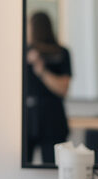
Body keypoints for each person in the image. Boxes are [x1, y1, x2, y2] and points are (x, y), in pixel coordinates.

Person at [23, 10, 72, 164]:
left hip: (52, 118)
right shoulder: (22, 53)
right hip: (27, 117)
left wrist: (41, 69)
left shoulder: (62, 54)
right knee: (20, 166)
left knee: (53, 167)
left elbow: (63, 89)